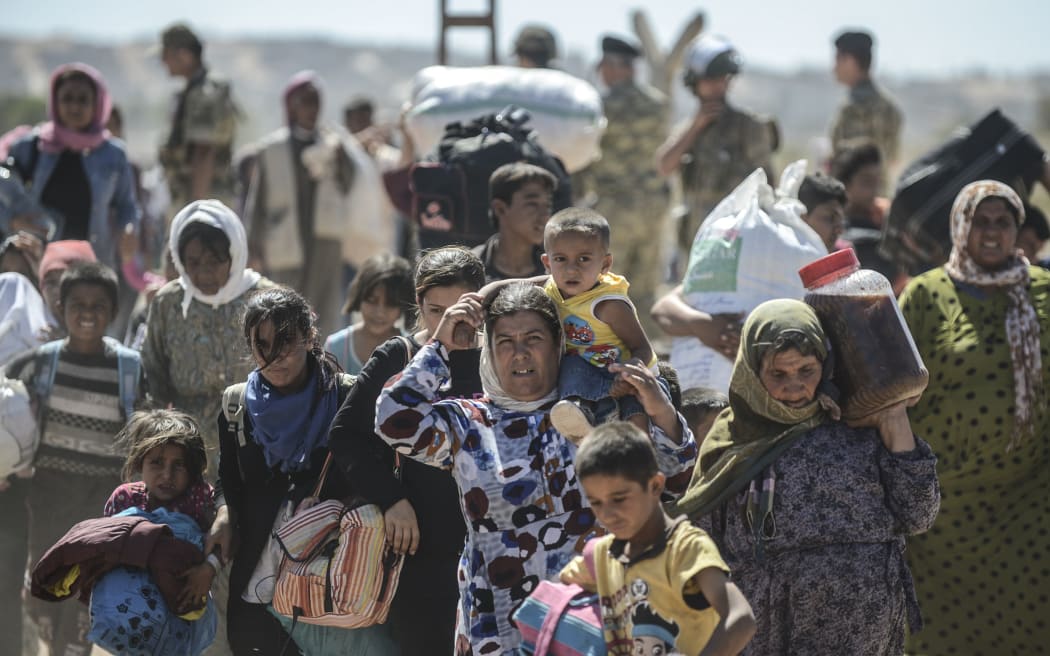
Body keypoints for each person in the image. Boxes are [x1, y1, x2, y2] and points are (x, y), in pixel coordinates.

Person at [375, 282, 697, 654]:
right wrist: (440, 345)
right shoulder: (468, 424)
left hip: (592, 625)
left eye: (533, 338)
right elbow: (392, 419)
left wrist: (662, 412)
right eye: (505, 342)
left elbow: (674, 480)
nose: (520, 353)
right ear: (490, 351)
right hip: (498, 627)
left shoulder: (597, 413)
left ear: (559, 344)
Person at [675, 299, 940, 655]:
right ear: (752, 371)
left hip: (865, 633)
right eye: (778, 374)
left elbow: (919, 515)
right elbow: (701, 547)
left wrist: (895, 421)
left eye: (807, 370)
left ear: (825, 363)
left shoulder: (859, 424)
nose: (795, 386)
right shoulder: (732, 444)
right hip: (770, 632)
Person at [898, 181, 1050, 656]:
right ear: (959, 227)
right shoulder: (924, 296)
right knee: (941, 634)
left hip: (1029, 499)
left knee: (1029, 620)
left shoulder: (1044, 292)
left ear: (1018, 231)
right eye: (979, 221)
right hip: (942, 511)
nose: (990, 233)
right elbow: (890, 390)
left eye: (1002, 222)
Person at [210, 286, 396, 656]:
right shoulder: (237, 407)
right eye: (262, 344)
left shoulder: (349, 399)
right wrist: (224, 512)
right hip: (256, 584)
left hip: (329, 586)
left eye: (287, 341)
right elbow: (228, 478)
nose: (276, 355)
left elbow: (379, 471)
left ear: (310, 337)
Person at [328, 246, 486, 656]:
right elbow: (346, 436)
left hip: (490, 548)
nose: (450, 324)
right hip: (419, 552)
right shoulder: (399, 355)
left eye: (461, 310)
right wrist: (391, 499)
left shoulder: (500, 356)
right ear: (418, 302)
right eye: (436, 311)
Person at [4, 260, 145, 656]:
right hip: (46, 504)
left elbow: (143, 431)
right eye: (77, 304)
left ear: (113, 312)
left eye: (97, 305)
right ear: (60, 308)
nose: (86, 313)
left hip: (99, 509)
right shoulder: (38, 364)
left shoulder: (127, 369)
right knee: (44, 600)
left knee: (86, 602)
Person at [560, 421, 756, 655]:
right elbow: (558, 592)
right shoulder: (603, 554)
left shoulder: (685, 548)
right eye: (596, 502)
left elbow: (741, 619)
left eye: (619, 499)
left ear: (655, 485)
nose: (607, 514)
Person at [245, 70, 388, 335]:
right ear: (292, 106)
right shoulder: (271, 150)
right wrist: (253, 247)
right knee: (283, 312)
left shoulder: (333, 145)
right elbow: (258, 202)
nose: (312, 109)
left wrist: (341, 155)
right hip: (285, 243)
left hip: (325, 244)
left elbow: (349, 183)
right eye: (305, 102)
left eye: (316, 102)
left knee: (323, 315)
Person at [143, 199, 273, 477]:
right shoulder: (169, 302)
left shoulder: (265, 301)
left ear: (234, 255)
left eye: (214, 261)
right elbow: (152, 375)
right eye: (193, 262)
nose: (203, 272)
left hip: (258, 442)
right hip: (187, 451)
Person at [535, 208, 658, 441]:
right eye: (561, 259)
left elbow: (643, 348)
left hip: (620, 378)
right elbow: (515, 284)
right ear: (547, 263)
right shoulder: (550, 288)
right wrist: (484, 293)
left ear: (605, 264)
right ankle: (577, 419)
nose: (572, 269)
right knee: (570, 364)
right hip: (582, 378)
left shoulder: (609, 305)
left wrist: (627, 375)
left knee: (636, 414)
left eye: (584, 259)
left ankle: (640, 458)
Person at [6, 62, 140, 271]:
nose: (74, 107)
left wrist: (129, 229)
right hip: (36, 262)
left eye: (83, 99)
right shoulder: (31, 146)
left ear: (97, 104)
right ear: (55, 102)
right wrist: (10, 221)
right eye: (67, 98)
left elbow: (127, 205)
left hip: (91, 267)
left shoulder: (114, 155)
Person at [656, 35, 776, 267]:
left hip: (737, 244)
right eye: (710, 80)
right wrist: (695, 127)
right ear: (695, 82)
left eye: (723, 79)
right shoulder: (687, 130)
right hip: (695, 242)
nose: (718, 86)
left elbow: (769, 185)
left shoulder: (749, 126)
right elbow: (664, 165)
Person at [574, 35, 669, 327]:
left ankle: (614, 354)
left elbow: (584, 155)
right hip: (653, 207)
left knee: (611, 286)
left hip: (615, 207)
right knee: (645, 288)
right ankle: (648, 356)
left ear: (614, 67)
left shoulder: (601, 106)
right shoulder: (658, 104)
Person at [105, 409, 219, 613]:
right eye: (157, 462)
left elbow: (222, 542)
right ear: (140, 461)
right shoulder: (125, 499)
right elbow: (105, 549)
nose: (167, 475)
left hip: (185, 605)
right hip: (131, 607)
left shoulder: (200, 499)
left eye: (179, 465)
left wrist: (208, 569)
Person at [157, 23, 239, 215]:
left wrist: (196, 211)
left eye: (166, 55)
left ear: (184, 55)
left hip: (204, 198)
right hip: (192, 196)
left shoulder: (205, 92)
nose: (163, 61)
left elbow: (203, 151)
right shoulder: (190, 92)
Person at [323, 252, 414, 374]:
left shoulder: (411, 351)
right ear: (359, 296)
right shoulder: (335, 347)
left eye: (390, 304)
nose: (380, 312)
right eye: (372, 300)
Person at [471, 162, 556, 283]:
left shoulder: (555, 269)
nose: (545, 216)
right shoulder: (470, 271)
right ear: (500, 208)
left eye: (547, 206)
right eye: (532, 204)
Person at [830, 30, 902, 167]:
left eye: (837, 60)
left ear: (850, 62)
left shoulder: (855, 109)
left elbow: (848, 165)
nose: (834, 68)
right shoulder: (889, 107)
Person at [796, 172, 847, 252]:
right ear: (802, 218)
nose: (839, 230)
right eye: (830, 218)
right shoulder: (780, 258)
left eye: (841, 221)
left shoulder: (843, 254)